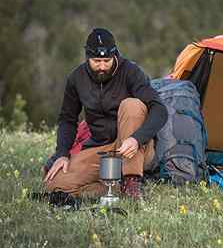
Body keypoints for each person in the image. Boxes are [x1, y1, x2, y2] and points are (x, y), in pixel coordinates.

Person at [43, 28, 168, 199]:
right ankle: (113, 188)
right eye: (96, 61)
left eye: (107, 60)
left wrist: (136, 139)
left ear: (115, 55)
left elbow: (160, 109)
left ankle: (131, 182)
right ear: (87, 57)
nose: (102, 66)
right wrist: (62, 153)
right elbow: (67, 119)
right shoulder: (76, 78)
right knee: (54, 185)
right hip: (101, 150)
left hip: (135, 148)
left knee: (132, 105)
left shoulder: (131, 72)